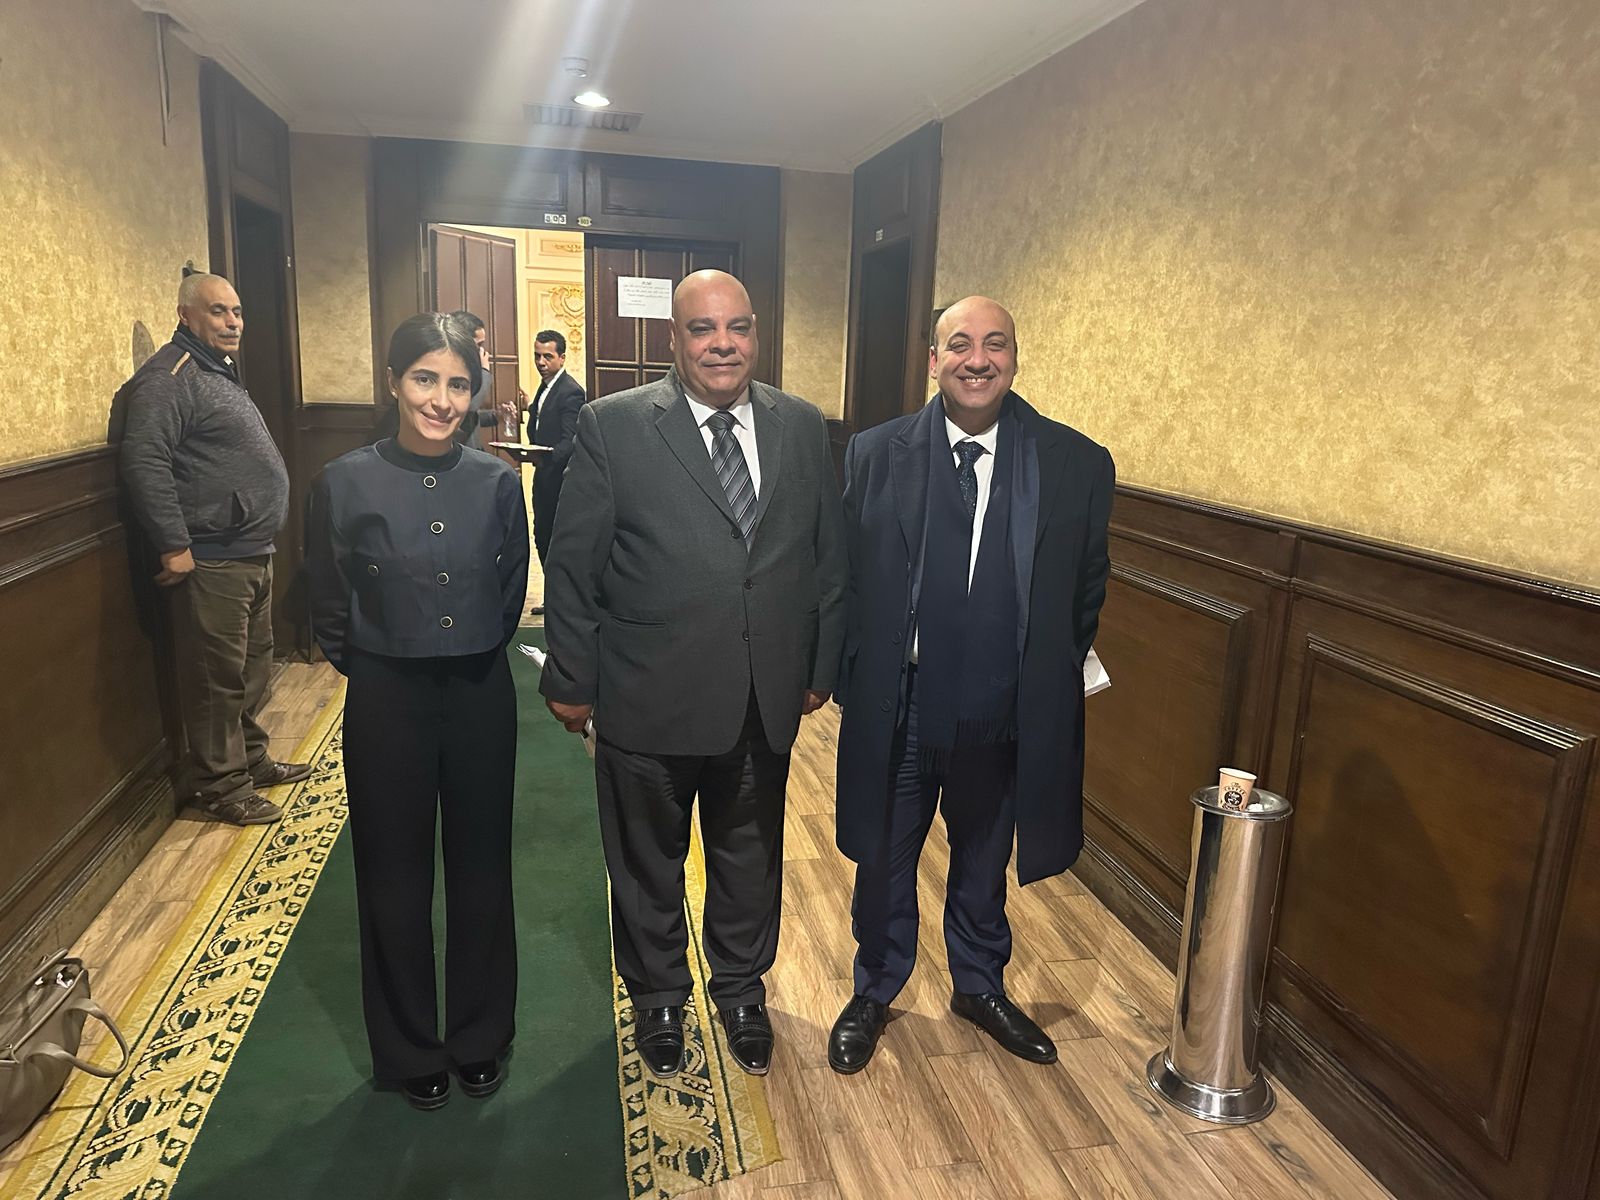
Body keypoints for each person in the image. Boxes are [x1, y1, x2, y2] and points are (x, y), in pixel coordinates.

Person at [539, 270, 847, 1079]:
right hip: (647, 690)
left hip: (761, 695)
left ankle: (741, 991)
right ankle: (659, 998)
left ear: (756, 333)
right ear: (673, 338)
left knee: (750, 857)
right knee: (648, 863)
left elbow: (829, 559)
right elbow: (572, 566)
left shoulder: (800, 425)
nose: (722, 344)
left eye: (738, 327)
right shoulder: (613, 425)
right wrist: (571, 678)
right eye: (703, 329)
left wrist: (820, 667)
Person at [826, 295, 1114, 1074]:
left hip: (1003, 705)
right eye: (960, 344)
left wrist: (1039, 674)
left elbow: (1086, 588)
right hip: (906, 701)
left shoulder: (1075, 463)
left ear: (1015, 357)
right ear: (934, 360)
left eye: (995, 344)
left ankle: (979, 985)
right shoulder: (875, 453)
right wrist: (851, 678)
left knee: (984, 856)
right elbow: (847, 577)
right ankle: (875, 987)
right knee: (885, 856)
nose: (977, 359)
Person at [308, 312, 530, 1111]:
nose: (442, 400)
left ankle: (478, 1033)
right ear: (394, 382)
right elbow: (327, 597)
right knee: (392, 875)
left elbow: (510, 590)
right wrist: (378, 662)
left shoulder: (497, 483)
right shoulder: (343, 481)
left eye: (459, 385)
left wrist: (467, 646)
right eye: (425, 379)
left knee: (481, 868)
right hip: (385, 698)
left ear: (475, 394)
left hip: (478, 692)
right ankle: (408, 1047)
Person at [113, 272, 308, 826]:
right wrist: (173, 543)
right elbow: (144, 459)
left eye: (237, 311)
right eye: (218, 311)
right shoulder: (169, 377)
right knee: (215, 678)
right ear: (186, 316)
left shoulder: (214, 369)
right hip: (212, 555)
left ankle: (249, 759)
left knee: (251, 666)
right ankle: (221, 786)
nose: (232, 322)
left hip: (250, 548)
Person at [525, 328, 587, 609]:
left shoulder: (570, 391)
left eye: (547, 356)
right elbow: (538, 428)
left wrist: (543, 458)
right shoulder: (545, 387)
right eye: (537, 356)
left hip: (560, 479)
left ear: (562, 358)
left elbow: (570, 441)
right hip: (544, 476)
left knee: (556, 540)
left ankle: (562, 602)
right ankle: (552, 599)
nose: (541, 362)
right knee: (542, 535)